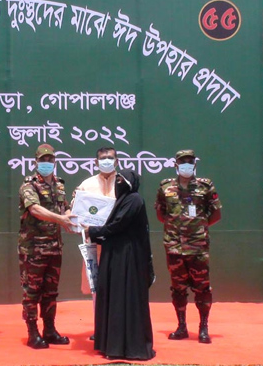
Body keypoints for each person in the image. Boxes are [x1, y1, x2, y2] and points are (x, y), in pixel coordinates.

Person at [83, 170, 156, 361]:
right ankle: (110, 345)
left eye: (122, 179)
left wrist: (92, 230)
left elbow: (118, 225)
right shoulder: (120, 201)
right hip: (115, 255)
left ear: (131, 182)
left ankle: (129, 348)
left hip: (128, 259)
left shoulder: (134, 200)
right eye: (117, 180)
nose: (118, 182)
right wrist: (95, 232)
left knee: (125, 298)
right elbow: (112, 228)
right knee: (112, 297)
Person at [155, 149, 221, 344]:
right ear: (176, 165)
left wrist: (198, 228)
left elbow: (216, 214)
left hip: (198, 246)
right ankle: (181, 326)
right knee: (178, 288)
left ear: (194, 165)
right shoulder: (165, 187)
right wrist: (175, 229)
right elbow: (161, 213)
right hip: (174, 246)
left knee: (202, 288)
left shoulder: (205, 186)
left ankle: (203, 327)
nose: (186, 165)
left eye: (189, 162)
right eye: (182, 162)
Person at [18, 144, 77, 349]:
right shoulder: (29, 184)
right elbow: (35, 209)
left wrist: (69, 215)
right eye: (42, 160)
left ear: (55, 162)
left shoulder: (59, 184)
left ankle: (49, 330)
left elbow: (66, 207)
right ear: (36, 162)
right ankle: (32, 332)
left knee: (51, 291)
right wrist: (61, 219)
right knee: (32, 291)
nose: (46, 163)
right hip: (34, 248)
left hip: (54, 247)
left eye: (50, 160)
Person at [72, 147, 118, 340]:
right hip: (94, 244)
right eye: (102, 158)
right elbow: (76, 211)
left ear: (116, 160)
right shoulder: (86, 184)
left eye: (110, 157)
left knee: (118, 286)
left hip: (118, 244)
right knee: (96, 288)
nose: (106, 161)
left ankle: (118, 328)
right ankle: (100, 328)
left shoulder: (124, 182)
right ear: (96, 161)